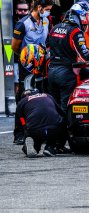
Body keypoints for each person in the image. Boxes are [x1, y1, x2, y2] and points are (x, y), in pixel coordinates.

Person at [47, 1, 89, 113]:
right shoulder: (75, 32)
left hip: (51, 73)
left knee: (53, 108)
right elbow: (86, 57)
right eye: (86, 21)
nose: (86, 25)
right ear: (80, 16)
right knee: (66, 109)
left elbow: (47, 49)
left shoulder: (54, 28)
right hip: (66, 74)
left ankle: (54, 129)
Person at [11, 0, 54, 145]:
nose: (49, 12)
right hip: (26, 66)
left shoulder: (46, 21)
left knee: (41, 94)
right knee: (24, 98)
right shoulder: (23, 24)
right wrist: (26, 60)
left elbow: (46, 41)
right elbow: (14, 47)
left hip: (41, 64)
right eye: (47, 9)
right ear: (39, 8)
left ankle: (39, 130)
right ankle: (19, 133)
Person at [16, 89, 68, 157]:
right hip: (54, 129)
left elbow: (19, 124)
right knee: (61, 123)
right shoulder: (48, 96)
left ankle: (33, 146)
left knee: (36, 143)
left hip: (35, 130)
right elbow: (61, 113)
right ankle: (51, 148)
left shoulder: (22, 102)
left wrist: (23, 136)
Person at [13, 0, 30, 104]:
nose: (23, 12)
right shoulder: (11, 23)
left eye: (25, 10)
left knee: (25, 84)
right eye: (20, 10)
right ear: (16, 11)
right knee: (16, 84)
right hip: (14, 58)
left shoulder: (30, 23)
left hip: (28, 59)